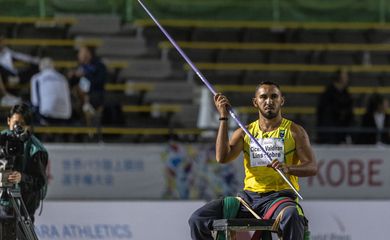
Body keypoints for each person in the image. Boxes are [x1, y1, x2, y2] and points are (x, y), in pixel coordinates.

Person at [189, 81, 317, 240]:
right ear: (255, 102)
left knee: (292, 215)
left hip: (278, 198)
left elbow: (312, 167)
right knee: (197, 219)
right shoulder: (245, 132)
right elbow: (222, 158)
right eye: (263, 97)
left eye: (274, 96)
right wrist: (223, 117)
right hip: (248, 200)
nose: (269, 101)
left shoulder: (295, 131)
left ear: (281, 101)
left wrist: (288, 168)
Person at [0, 103, 48, 223]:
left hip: (25, 208)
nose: (18, 128)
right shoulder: (1, 140)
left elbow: (40, 182)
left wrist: (22, 177)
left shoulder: (35, 149)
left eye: (22, 124)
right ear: (8, 120)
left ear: (28, 126)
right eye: (16, 123)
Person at [68, 46, 107, 127]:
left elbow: (99, 82)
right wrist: (73, 76)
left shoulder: (99, 66)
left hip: (95, 95)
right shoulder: (79, 67)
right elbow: (71, 84)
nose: (79, 55)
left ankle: (88, 113)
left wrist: (86, 74)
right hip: (79, 97)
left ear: (89, 54)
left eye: (82, 53)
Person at [316, 68, 354, 144]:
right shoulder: (328, 94)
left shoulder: (346, 93)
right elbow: (325, 115)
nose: (347, 79)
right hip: (330, 133)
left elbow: (349, 112)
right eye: (345, 77)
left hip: (342, 131)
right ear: (338, 78)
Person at [30, 57, 72, 125]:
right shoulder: (63, 78)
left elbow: (35, 102)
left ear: (40, 67)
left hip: (47, 116)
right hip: (66, 116)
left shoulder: (36, 78)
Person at [0, 35, 40, 105]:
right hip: (4, 77)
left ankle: (36, 98)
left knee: (36, 66)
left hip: (13, 75)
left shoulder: (7, 52)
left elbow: (21, 57)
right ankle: (5, 95)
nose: (2, 43)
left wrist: (35, 60)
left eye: (3, 41)